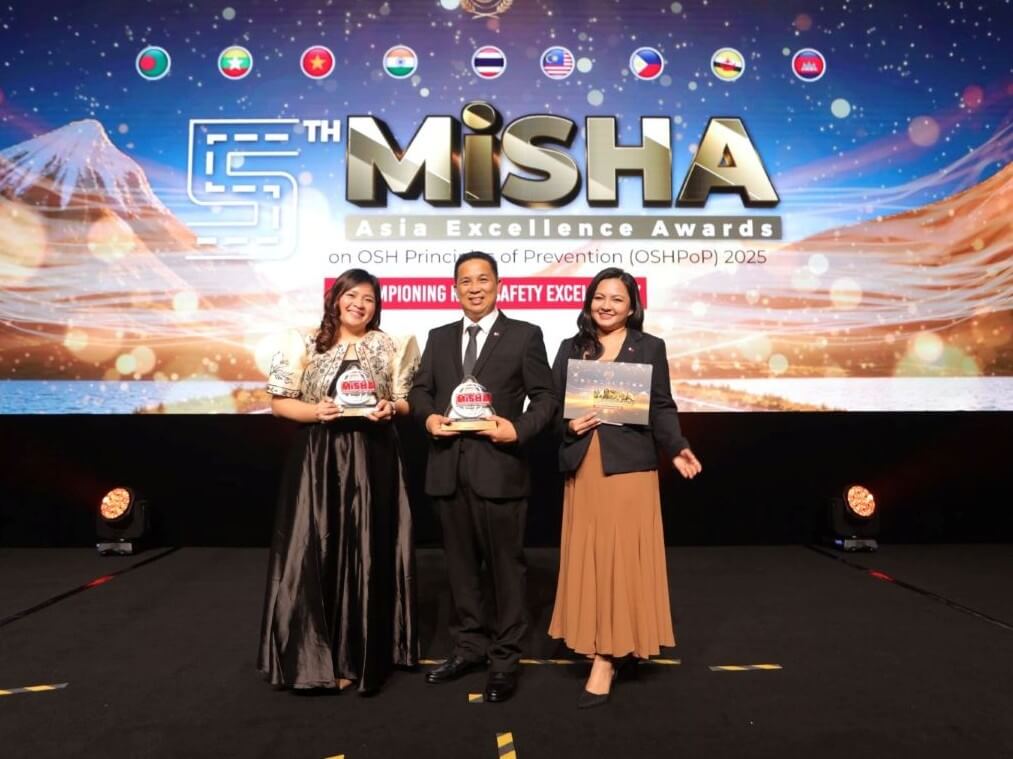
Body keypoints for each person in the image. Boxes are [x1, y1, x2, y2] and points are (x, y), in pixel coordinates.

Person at [258, 268, 421, 693]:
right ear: (335, 300)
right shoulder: (304, 342)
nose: (359, 304)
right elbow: (279, 404)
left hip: (373, 456)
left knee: (367, 551)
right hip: (319, 457)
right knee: (313, 548)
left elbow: (406, 400)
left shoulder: (392, 345)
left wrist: (392, 409)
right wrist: (316, 413)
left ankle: (358, 657)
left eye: (368, 298)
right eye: (351, 296)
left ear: (377, 305)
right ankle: (311, 658)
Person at [548, 267, 702, 708]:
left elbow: (661, 406)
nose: (606, 305)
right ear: (588, 301)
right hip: (585, 466)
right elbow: (551, 404)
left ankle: (608, 657)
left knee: (622, 559)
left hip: (630, 469)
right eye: (599, 296)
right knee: (592, 558)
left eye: (617, 298)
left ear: (632, 306)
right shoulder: (571, 348)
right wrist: (568, 423)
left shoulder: (650, 347)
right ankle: (605, 642)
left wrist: (676, 447)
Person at [409, 251, 557, 703]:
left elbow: (546, 397)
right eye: (465, 281)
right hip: (447, 471)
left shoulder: (525, 335)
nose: (474, 288)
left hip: (500, 470)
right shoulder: (438, 337)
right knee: (459, 569)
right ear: (454, 288)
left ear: (498, 285)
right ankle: (469, 648)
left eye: (483, 280)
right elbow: (420, 390)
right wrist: (429, 419)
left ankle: (505, 660)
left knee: (507, 572)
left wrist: (519, 429)